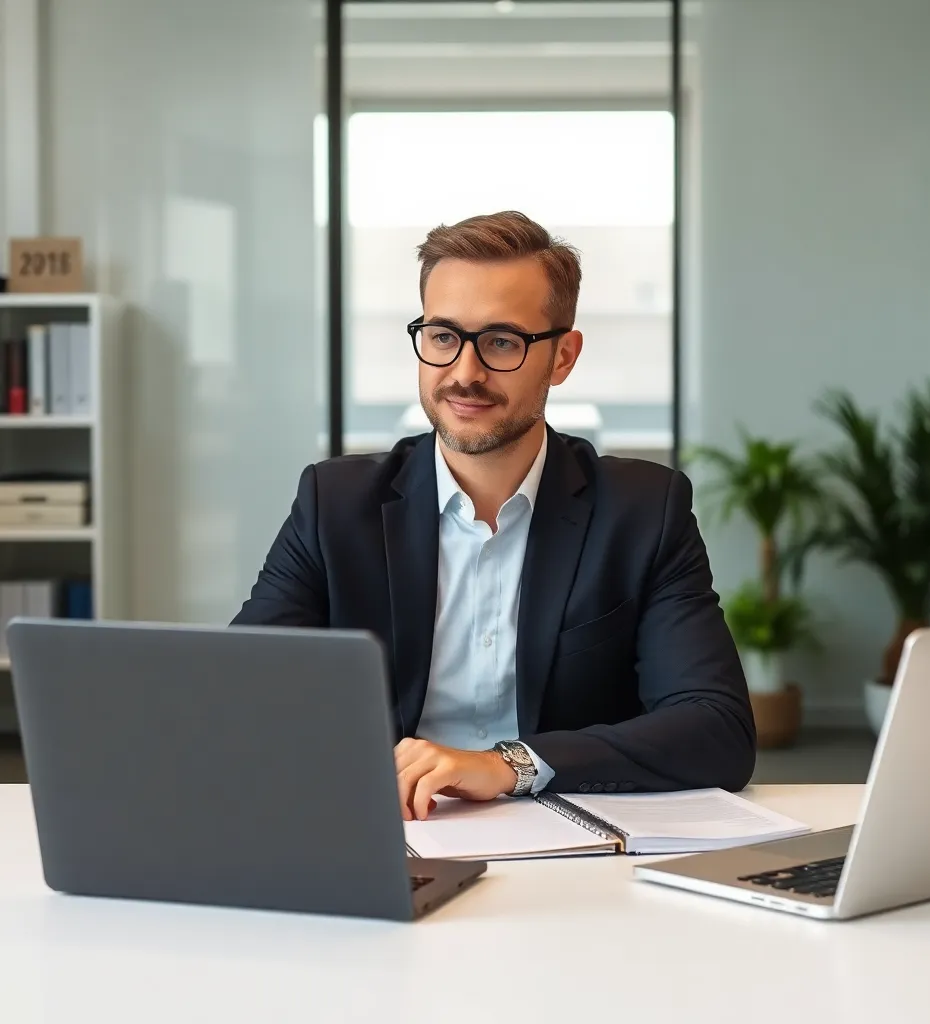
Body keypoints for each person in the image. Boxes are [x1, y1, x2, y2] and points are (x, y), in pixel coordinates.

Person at [233, 210, 755, 821]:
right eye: (442, 336)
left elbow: (717, 730)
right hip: (390, 828)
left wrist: (510, 765)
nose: (464, 373)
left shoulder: (643, 512)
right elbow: (243, 694)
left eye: (503, 341)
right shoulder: (335, 504)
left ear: (562, 357)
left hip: (571, 839)